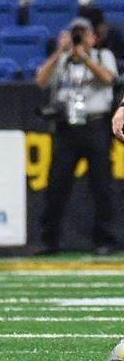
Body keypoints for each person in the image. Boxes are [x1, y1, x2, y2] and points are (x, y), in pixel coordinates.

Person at [36, 17, 117, 255]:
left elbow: (109, 79)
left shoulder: (102, 56)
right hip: (68, 128)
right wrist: (59, 52)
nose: (79, 39)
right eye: (75, 35)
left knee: (101, 185)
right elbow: (41, 80)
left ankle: (104, 240)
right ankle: (50, 240)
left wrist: (85, 58)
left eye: (83, 34)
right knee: (56, 185)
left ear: (93, 37)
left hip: (95, 125)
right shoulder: (63, 60)